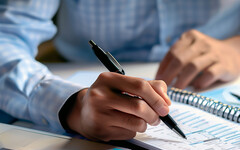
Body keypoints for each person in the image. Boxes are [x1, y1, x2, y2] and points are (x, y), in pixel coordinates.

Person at [0, 0, 240, 142]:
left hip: (220, 80)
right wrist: (71, 104)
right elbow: (5, 36)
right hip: (81, 77)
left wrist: (235, 48)